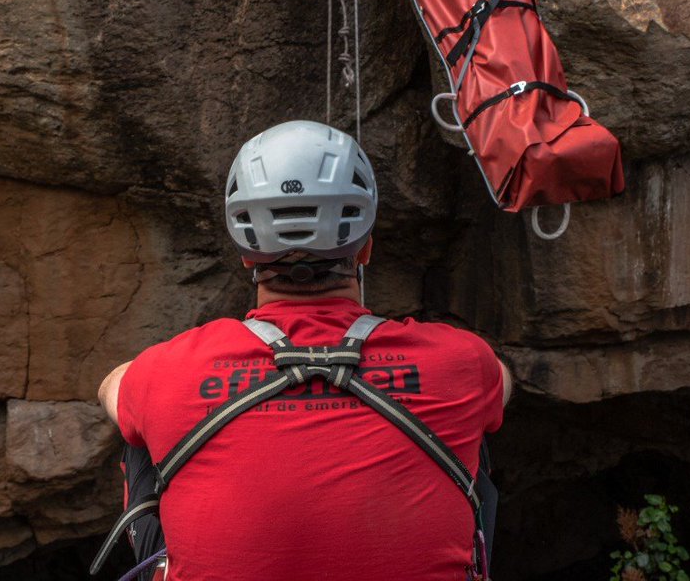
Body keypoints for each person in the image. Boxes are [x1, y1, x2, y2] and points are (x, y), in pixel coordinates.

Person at [96, 120, 511, 581]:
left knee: (140, 435)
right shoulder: (461, 362)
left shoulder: (169, 371)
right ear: (367, 247)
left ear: (246, 254)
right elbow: (500, 376)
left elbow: (110, 386)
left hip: (174, 383)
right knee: (474, 436)